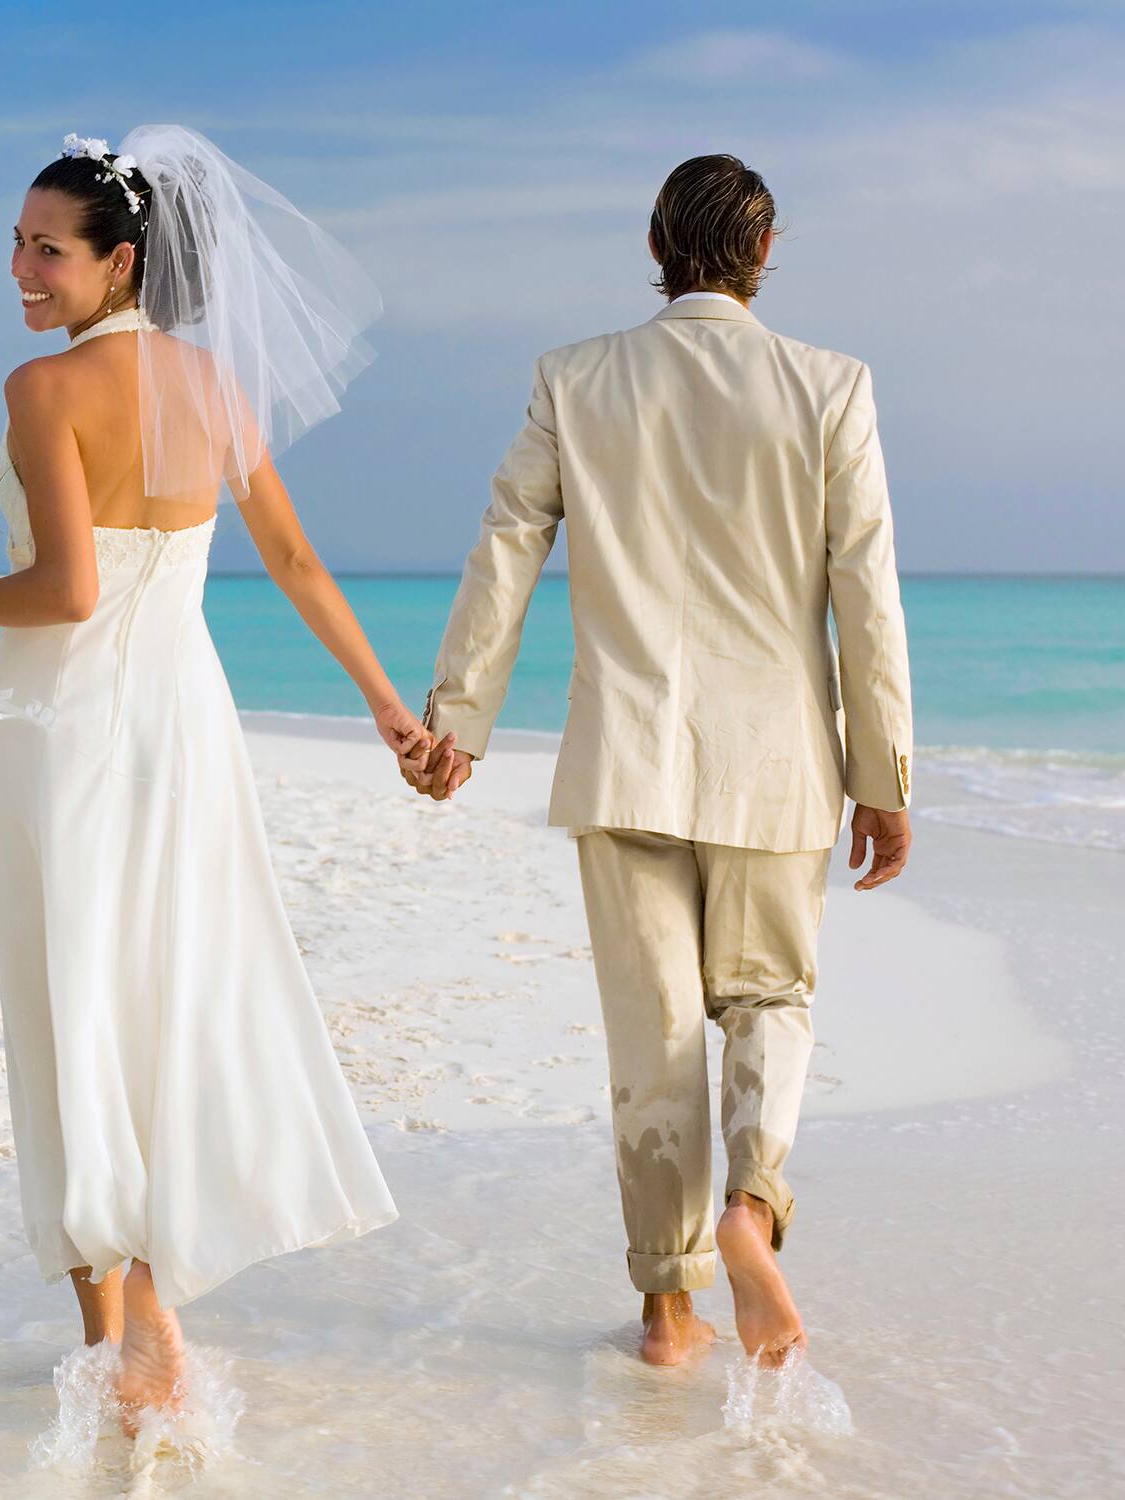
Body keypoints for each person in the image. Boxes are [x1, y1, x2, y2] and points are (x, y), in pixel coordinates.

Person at [0, 128, 414, 1433]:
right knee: (163, 995)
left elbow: (66, 592)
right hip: (187, 725)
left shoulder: (43, 391)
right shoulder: (214, 383)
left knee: (71, 999)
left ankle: (135, 1318)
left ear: (121, 260)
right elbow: (300, 563)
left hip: (66, 721)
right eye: (18, 245)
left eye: (49, 249)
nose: (22, 271)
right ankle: (121, 1324)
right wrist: (384, 705)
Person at [404, 154, 914, 1368]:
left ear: (653, 241)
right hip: (777, 762)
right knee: (768, 1001)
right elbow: (866, 594)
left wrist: (456, 721)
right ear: (766, 245)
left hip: (622, 757)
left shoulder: (573, 379)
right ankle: (751, 1207)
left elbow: (505, 549)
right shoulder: (828, 386)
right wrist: (883, 777)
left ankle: (667, 1312)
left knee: (654, 1038)